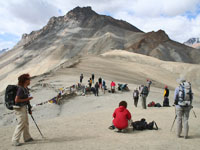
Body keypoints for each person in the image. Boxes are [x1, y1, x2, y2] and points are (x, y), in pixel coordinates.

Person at [12, 74, 34, 146]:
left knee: (26, 123)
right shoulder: (20, 89)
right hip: (19, 108)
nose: (30, 80)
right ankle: (15, 141)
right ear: (25, 80)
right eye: (28, 79)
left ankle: (27, 138)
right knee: (21, 123)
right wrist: (28, 99)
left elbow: (27, 100)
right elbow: (17, 100)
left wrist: (29, 108)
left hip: (23, 107)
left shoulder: (26, 88)